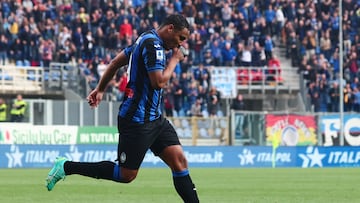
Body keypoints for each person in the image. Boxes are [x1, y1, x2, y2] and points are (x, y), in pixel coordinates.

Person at [45, 14, 200, 203]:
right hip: (137, 120)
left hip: (155, 119)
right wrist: (175, 60)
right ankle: (66, 167)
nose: (180, 45)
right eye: (180, 38)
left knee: (179, 161)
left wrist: (100, 89)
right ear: (170, 29)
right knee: (126, 175)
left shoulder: (144, 38)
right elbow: (158, 82)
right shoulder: (154, 46)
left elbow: (114, 63)